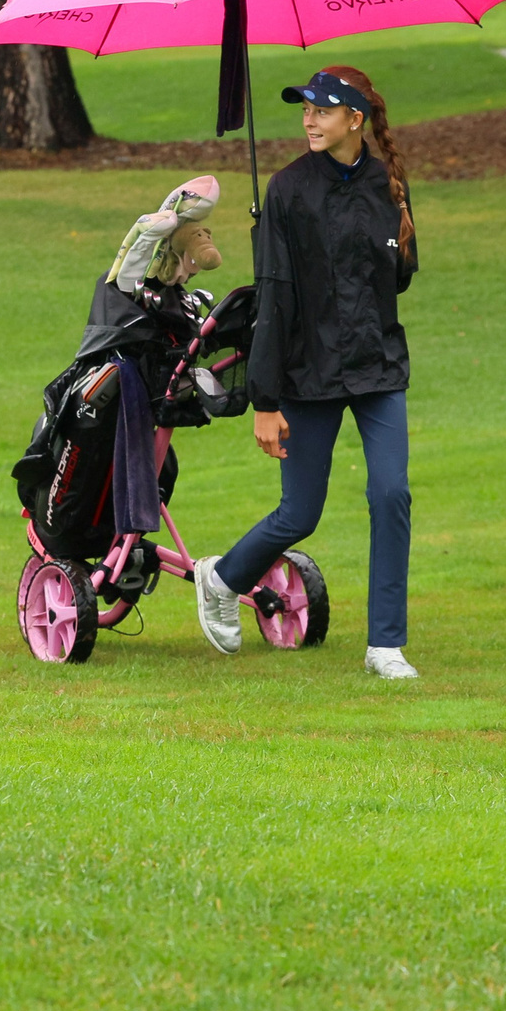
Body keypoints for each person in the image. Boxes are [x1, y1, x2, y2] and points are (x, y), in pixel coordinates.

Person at [194, 65, 423, 679]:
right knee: (300, 514)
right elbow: (274, 301)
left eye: (322, 110)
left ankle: (386, 645)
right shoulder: (288, 190)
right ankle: (221, 579)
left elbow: (401, 274)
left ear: (355, 119)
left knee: (391, 494)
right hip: (308, 373)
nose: (309, 120)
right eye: (305, 110)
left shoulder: (388, 182)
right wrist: (265, 401)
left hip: (377, 367)